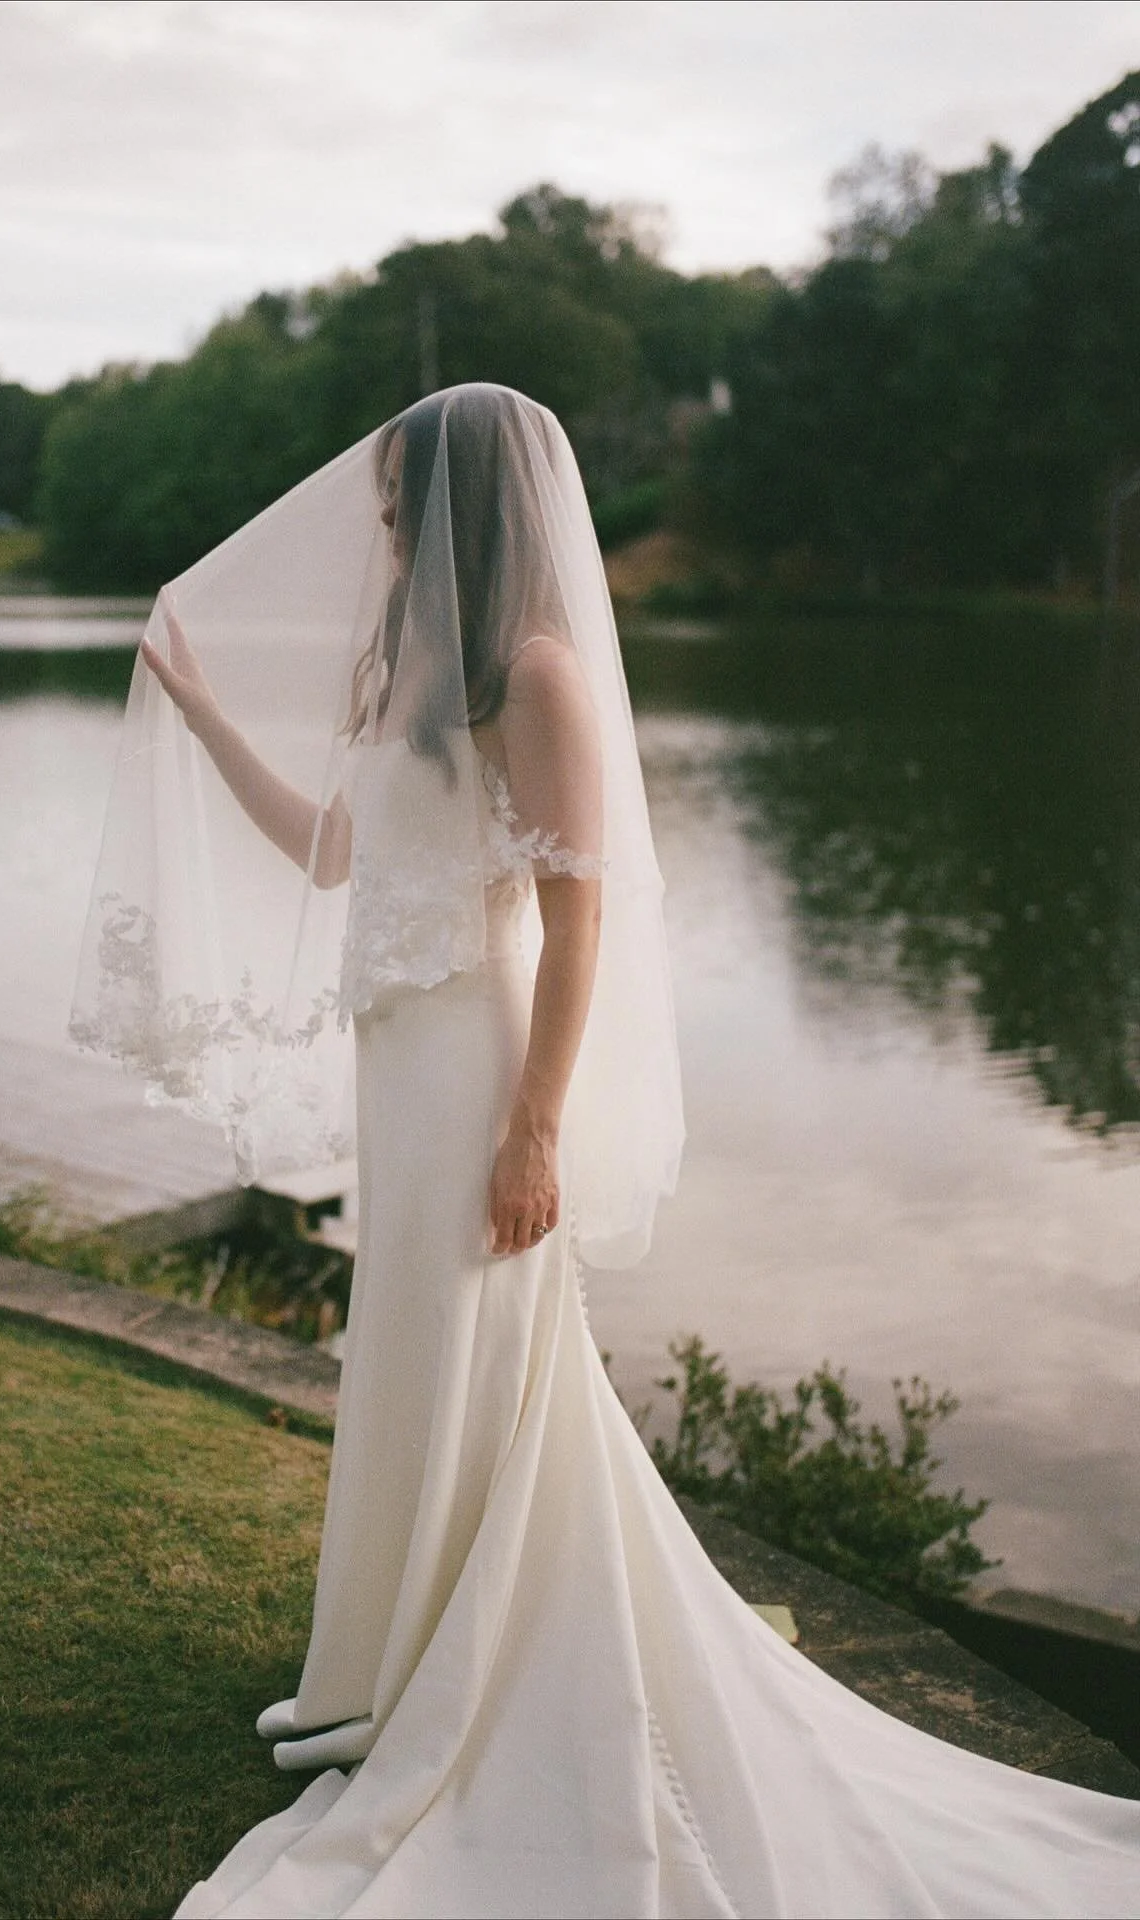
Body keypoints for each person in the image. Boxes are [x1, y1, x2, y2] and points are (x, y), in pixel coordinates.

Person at [73, 384, 1140, 1919]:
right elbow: (330, 850)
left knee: (484, 1360)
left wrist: (533, 1130)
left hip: (482, 1075)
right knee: (419, 1356)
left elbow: (580, 928)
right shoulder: (421, 677)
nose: (381, 524)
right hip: (404, 1074)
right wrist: (202, 711)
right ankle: (401, 1657)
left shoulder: (544, 677)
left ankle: (492, 1666)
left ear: (465, 511)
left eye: (398, 500)